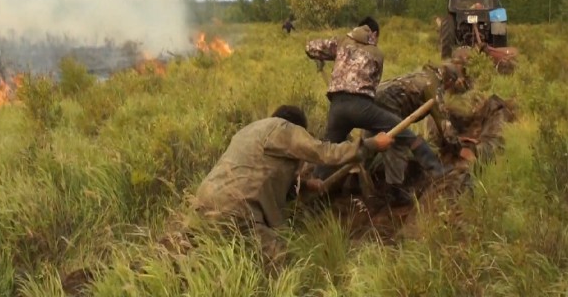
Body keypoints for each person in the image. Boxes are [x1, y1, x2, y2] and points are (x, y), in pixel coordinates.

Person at [193, 104, 394, 271]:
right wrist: (372, 144)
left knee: (218, 259)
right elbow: (324, 152)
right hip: (237, 208)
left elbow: (259, 171)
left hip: (204, 200)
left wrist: (305, 185)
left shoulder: (250, 131)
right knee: (285, 264)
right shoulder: (284, 129)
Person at [305, 16, 450, 204]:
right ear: (374, 34)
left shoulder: (341, 42)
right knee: (406, 135)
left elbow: (310, 47)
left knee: (327, 151)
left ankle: (313, 196)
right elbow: (373, 85)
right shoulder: (377, 53)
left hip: (337, 109)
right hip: (362, 107)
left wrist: (322, 57)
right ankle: (436, 172)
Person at [369, 62, 473, 198]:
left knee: (368, 144)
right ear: (449, 81)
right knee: (403, 143)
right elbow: (443, 123)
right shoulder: (433, 86)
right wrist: (458, 148)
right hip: (386, 104)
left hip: (371, 99)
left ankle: (356, 177)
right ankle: (434, 172)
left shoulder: (423, 76)